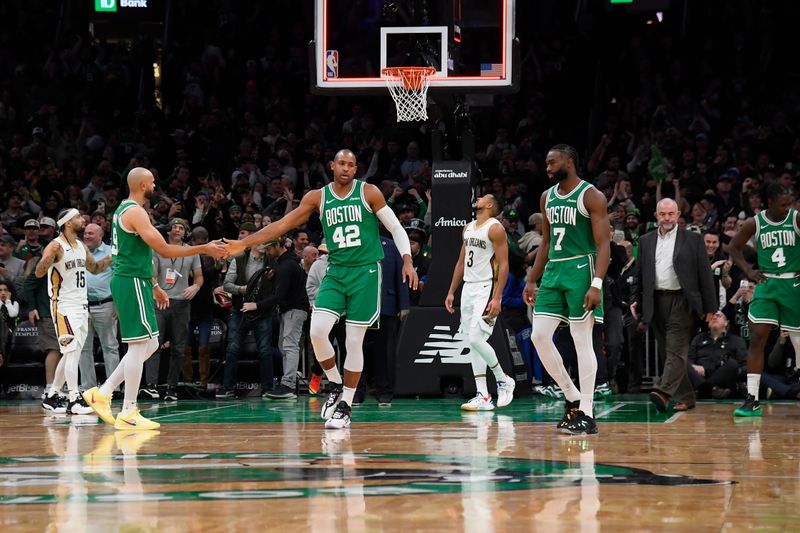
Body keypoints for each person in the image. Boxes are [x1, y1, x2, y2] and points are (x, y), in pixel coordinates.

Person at [225, 149, 417, 430]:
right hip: (336, 270)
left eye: (351, 165)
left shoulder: (369, 192)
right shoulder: (318, 197)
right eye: (341, 163)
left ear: (356, 169)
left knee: (353, 341)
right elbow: (281, 225)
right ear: (332, 166)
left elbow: (397, 229)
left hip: (365, 272)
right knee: (317, 332)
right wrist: (243, 243)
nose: (346, 168)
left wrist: (407, 261)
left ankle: (346, 405)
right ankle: (337, 385)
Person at [82, 168, 226, 431]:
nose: (155, 184)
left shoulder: (126, 211)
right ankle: (128, 410)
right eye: (152, 181)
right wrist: (203, 247)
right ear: (142, 184)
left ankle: (103, 392)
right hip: (130, 281)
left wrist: (155, 284)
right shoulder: (134, 211)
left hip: (136, 280)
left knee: (149, 345)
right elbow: (162, 248)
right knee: (139, 346)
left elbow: (143, 252)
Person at [523, 144, 610, 435]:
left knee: (581, 340)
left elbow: (604, 245)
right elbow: (545, 243)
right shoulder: (546, 197)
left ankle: (587, 412)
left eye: (552, 162)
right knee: (539, 336)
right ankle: (571, 395)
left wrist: (597, 283)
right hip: (553, 270)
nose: (547, 168)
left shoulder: (591, 195)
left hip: (580, 270)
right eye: (546, 163)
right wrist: (532, 279)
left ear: (569, 162)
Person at [631, 198, 717, 413]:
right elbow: (640, 274)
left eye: (671, 214)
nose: (667, 218)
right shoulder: (645, 240)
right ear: (656, 216)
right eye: (663, 214)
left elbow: (705, 275)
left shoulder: (693, 239)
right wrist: (636, 300)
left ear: (678, 215)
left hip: (683, 301)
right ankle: (687, 396)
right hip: (655, 301)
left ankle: (662, 391)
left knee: (676, 351)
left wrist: (710, 307)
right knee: (667, 352)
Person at [728, 184, 800, 417]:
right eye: (783, 204)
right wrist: (748, 271)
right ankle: (752, 399)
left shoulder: (796, 219)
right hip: (767, 284)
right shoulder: (754, 223)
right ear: (769, 202)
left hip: (792, 284)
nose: (787, 208)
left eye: (789, 203)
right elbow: (734, 247)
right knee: (758, 337)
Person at [35, 208, 112, 415]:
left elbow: (95, 268)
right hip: (63, 306)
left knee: (71, 353)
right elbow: (39, 272)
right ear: (68, 223)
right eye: (78, 217)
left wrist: (112, 257)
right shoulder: (55, 246)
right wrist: (48, 257)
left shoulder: (80, 246)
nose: (83, 220)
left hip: (81, 305)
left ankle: (52, 396)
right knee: (72, 353)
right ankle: (74, 400)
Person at [445, 194, 516, 411]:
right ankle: (483, 395)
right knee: (472, 342)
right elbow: (460, 262)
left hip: (486, 287)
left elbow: (504, 265)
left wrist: (497, 296)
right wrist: (451, 291)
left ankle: (503, 379)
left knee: (476, 338)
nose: (480, 197)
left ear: (490, 205)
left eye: (485, 196)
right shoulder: (467, 228)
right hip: (468, 287)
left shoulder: (495, 228)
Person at [216, 223, 278, 399]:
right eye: (259, 241)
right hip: (239, 309)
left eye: (264, 242)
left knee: (265, 349)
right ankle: (227, 387)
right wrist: (244, 289)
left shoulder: (272, 262)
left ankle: (268, 388)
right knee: (233, 348)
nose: (262, 244)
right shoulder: (238, 259)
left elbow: (275, 289)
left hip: (263, 311)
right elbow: (227, 285)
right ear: (252, 243)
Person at [143, 218, 202, 401]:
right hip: (161, 301)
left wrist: (196, 287)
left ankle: (172, 387)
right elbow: (151, 274)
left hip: (181, 303)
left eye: (181, 228)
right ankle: (151, 385)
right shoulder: (158, 248)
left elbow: (199, 277)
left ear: (185, 233)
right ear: (169, 231)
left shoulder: (191, 251)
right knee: (154, 344)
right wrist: (157, 290)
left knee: (178, 346)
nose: (177, 230)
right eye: (174, 227)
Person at [260, 238, 309, 399]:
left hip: (294, 309)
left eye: (269, 248)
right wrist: (274, 278)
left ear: (276, 246)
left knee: (290, 346)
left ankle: (288, 385)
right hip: (291, 309)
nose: (267, 252)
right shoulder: (286, 263)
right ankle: (287, 382)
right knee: (284, 346)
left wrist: (256, 305)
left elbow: (279, 295)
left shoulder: (286, 265)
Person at [78, 223, 120, 392]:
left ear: (100, 236)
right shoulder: (79, 252)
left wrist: (118, 303)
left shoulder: (111, 253)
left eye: (91, 234)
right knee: (83, 348)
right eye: (85, 233)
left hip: (106, 304)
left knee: (110, 345)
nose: (87, 236)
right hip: (82, 306)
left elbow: (119, 278)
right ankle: (88, 388)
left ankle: (113, 387)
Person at [687, 311, 747, 399]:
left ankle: (703, 390)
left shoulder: (736, 341)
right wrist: (694, 366)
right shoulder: (698, 338)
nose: (715, 318)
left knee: (732, 364)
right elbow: (689, 359)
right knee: (681, 361)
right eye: (712, 316)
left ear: (726, 323)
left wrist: (732, 370)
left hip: (721, 378)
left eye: (718, 316)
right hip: (699, 376)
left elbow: (745, 366)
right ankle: (711, 390)